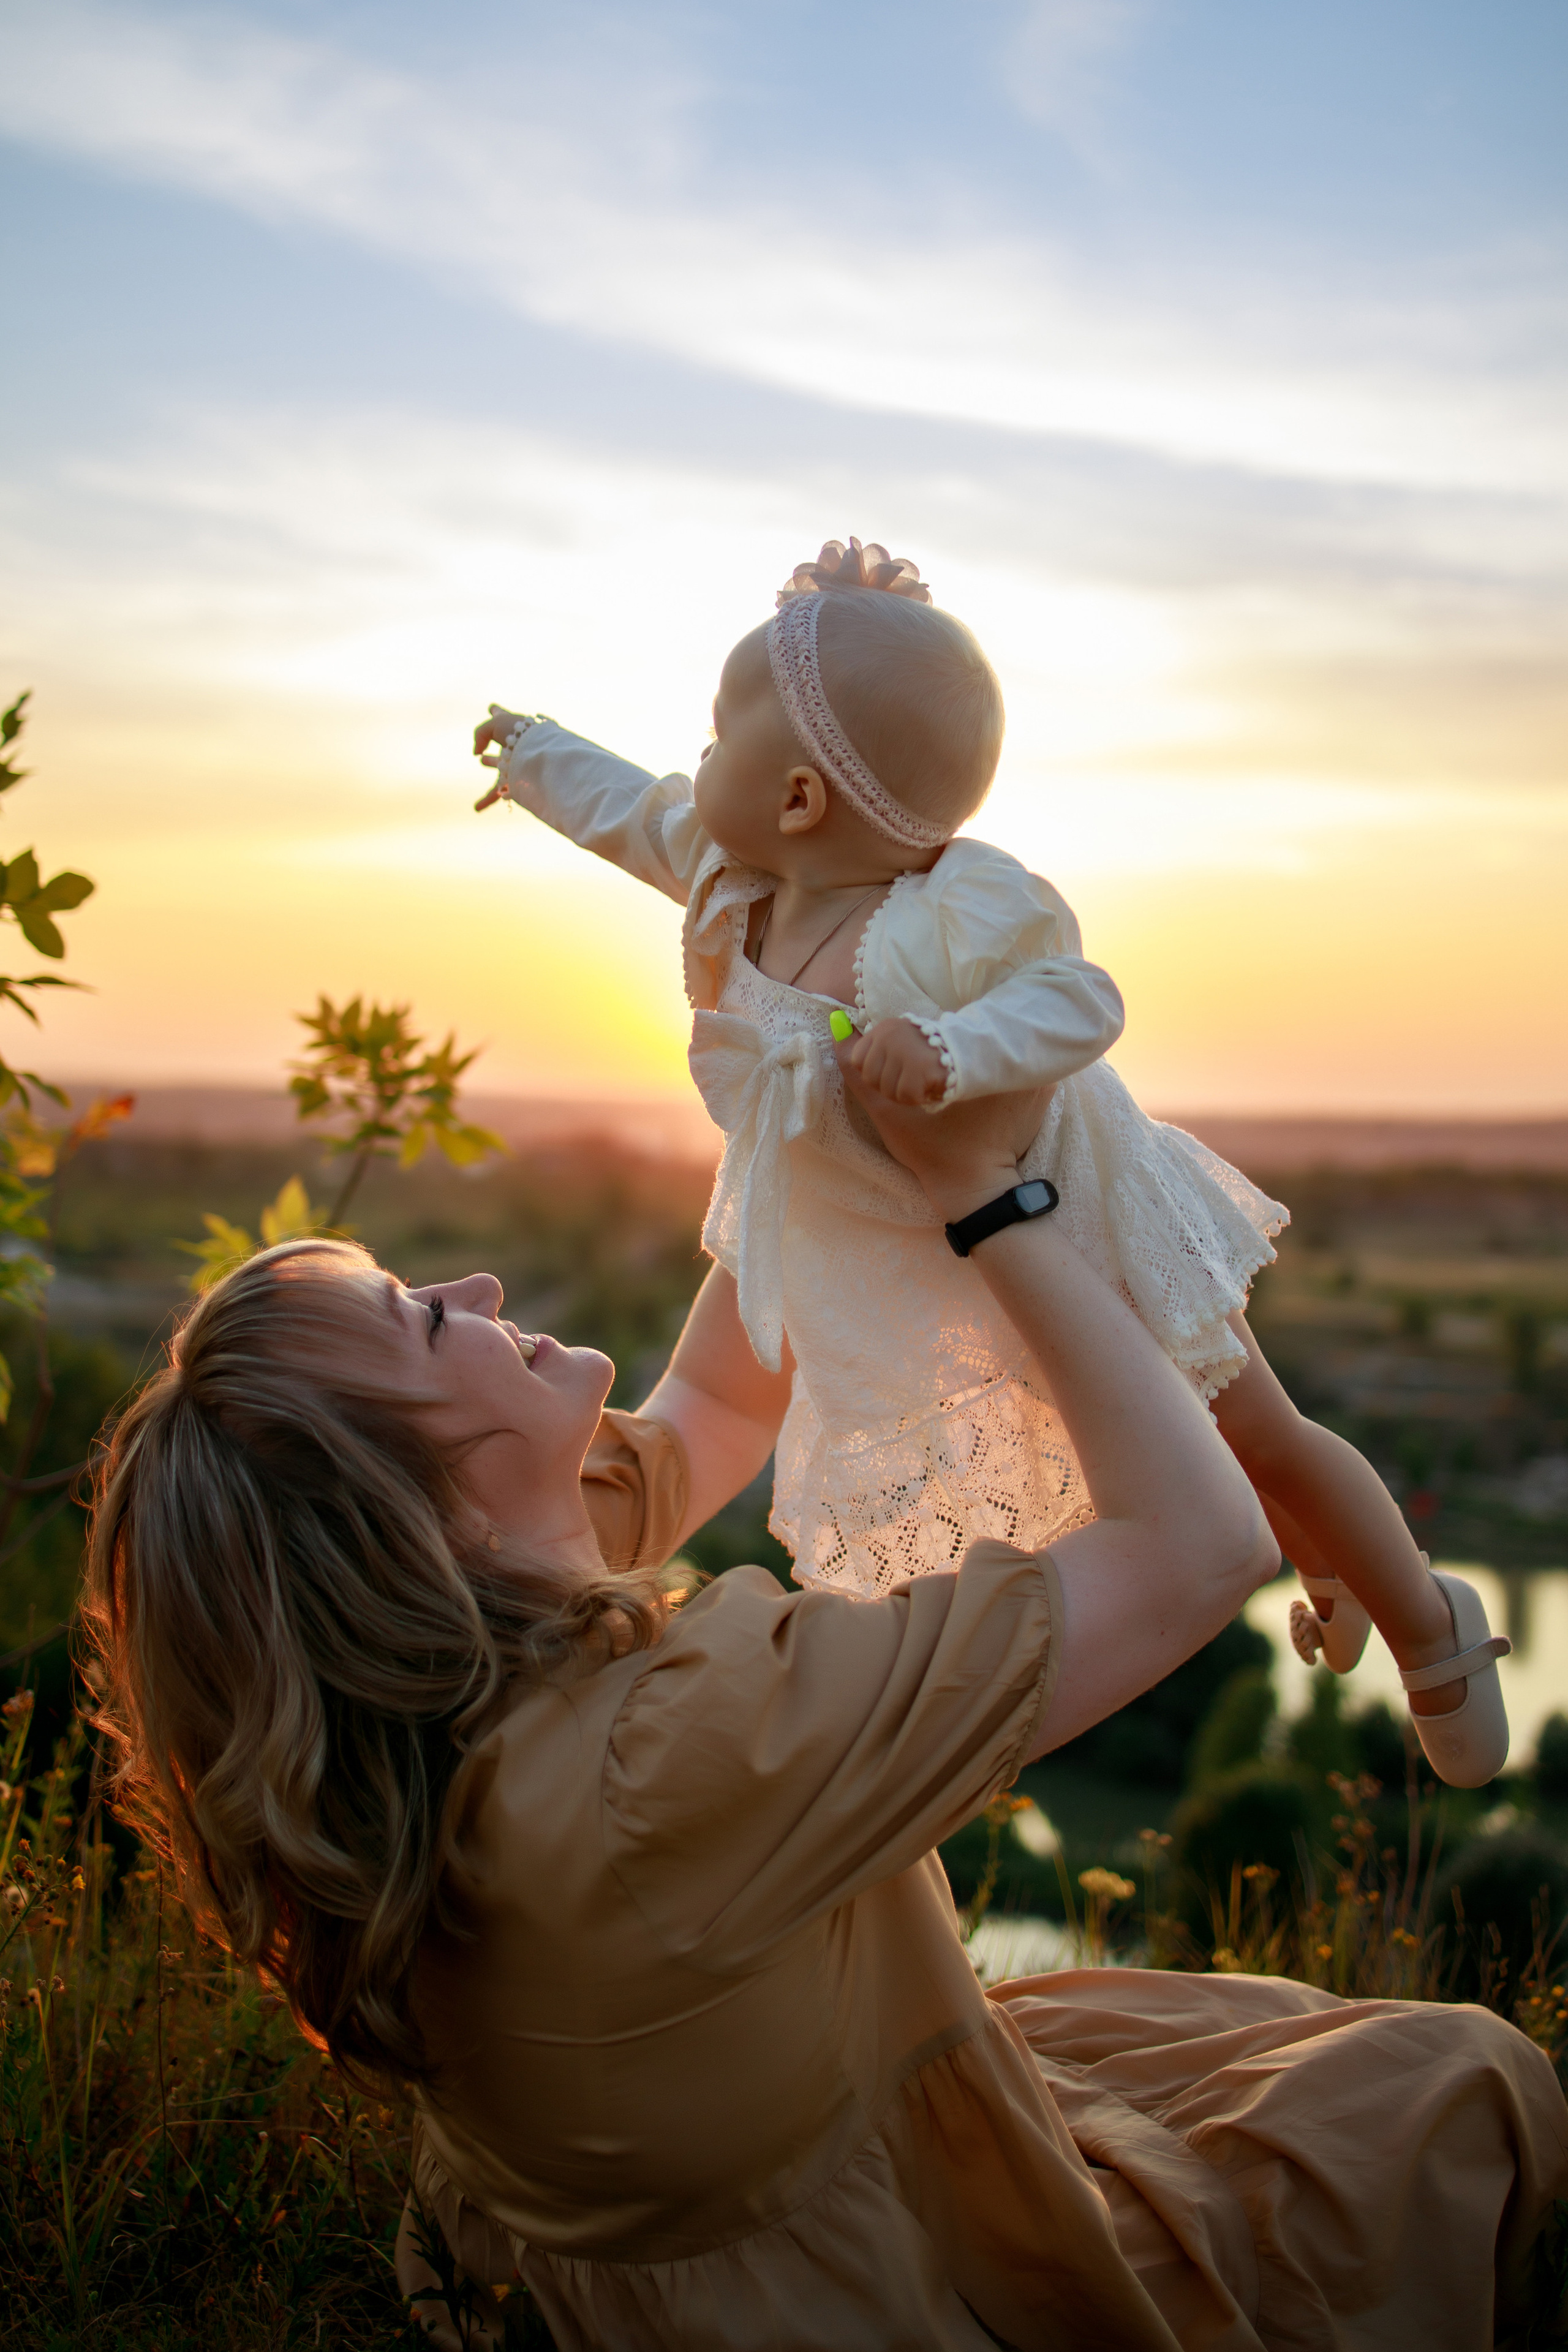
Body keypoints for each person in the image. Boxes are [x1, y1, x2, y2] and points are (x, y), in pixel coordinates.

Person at [85, 1066, 1566, 2351]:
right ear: (411, 1507)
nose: (471, 1290)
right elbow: (1199, 1547)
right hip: (861, 2279)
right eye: (422, 1322)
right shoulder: (676, 1743)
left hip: (672, 2213)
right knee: (1460, 2089)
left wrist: (806, 1121)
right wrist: (983, 1200)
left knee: (1205, 2048)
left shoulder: (455, 1654)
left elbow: (719, 1408)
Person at [470, 538, 1509, 1787]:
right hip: (893, 1229)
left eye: (715, 730)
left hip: (1063, 1214)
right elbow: (631, 808)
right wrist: (530, 754)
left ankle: (1425, 1617)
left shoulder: (947, 921)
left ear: (799, 797)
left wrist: (953, 1051)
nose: (695, 761)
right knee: (1177, 1448)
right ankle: (1330, 1566)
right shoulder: (729, 872)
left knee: (1253, 1430)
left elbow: (1080, 998)